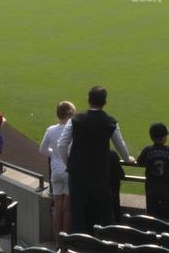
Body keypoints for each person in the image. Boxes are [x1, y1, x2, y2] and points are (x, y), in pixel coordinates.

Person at [57, 85, 135, 233]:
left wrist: (70, 164)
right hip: (99, 175)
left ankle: (79, 244)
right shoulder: (110, 121)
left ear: (88, 99)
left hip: (77, 175)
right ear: (105, 102)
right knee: (105, 216)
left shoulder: (75, 119)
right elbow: (120, 145)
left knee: (78, 216)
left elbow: (62, 144)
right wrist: (127, 158)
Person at [39, 101, 76, 236]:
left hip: (55, 171)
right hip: (69, 170)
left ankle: (58, 242)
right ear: (69, 114)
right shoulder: (73, 129)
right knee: (67, 209)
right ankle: (66, 239)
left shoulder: (51, 130)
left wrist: (54, 154)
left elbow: (42, 150)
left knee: (57, 208)